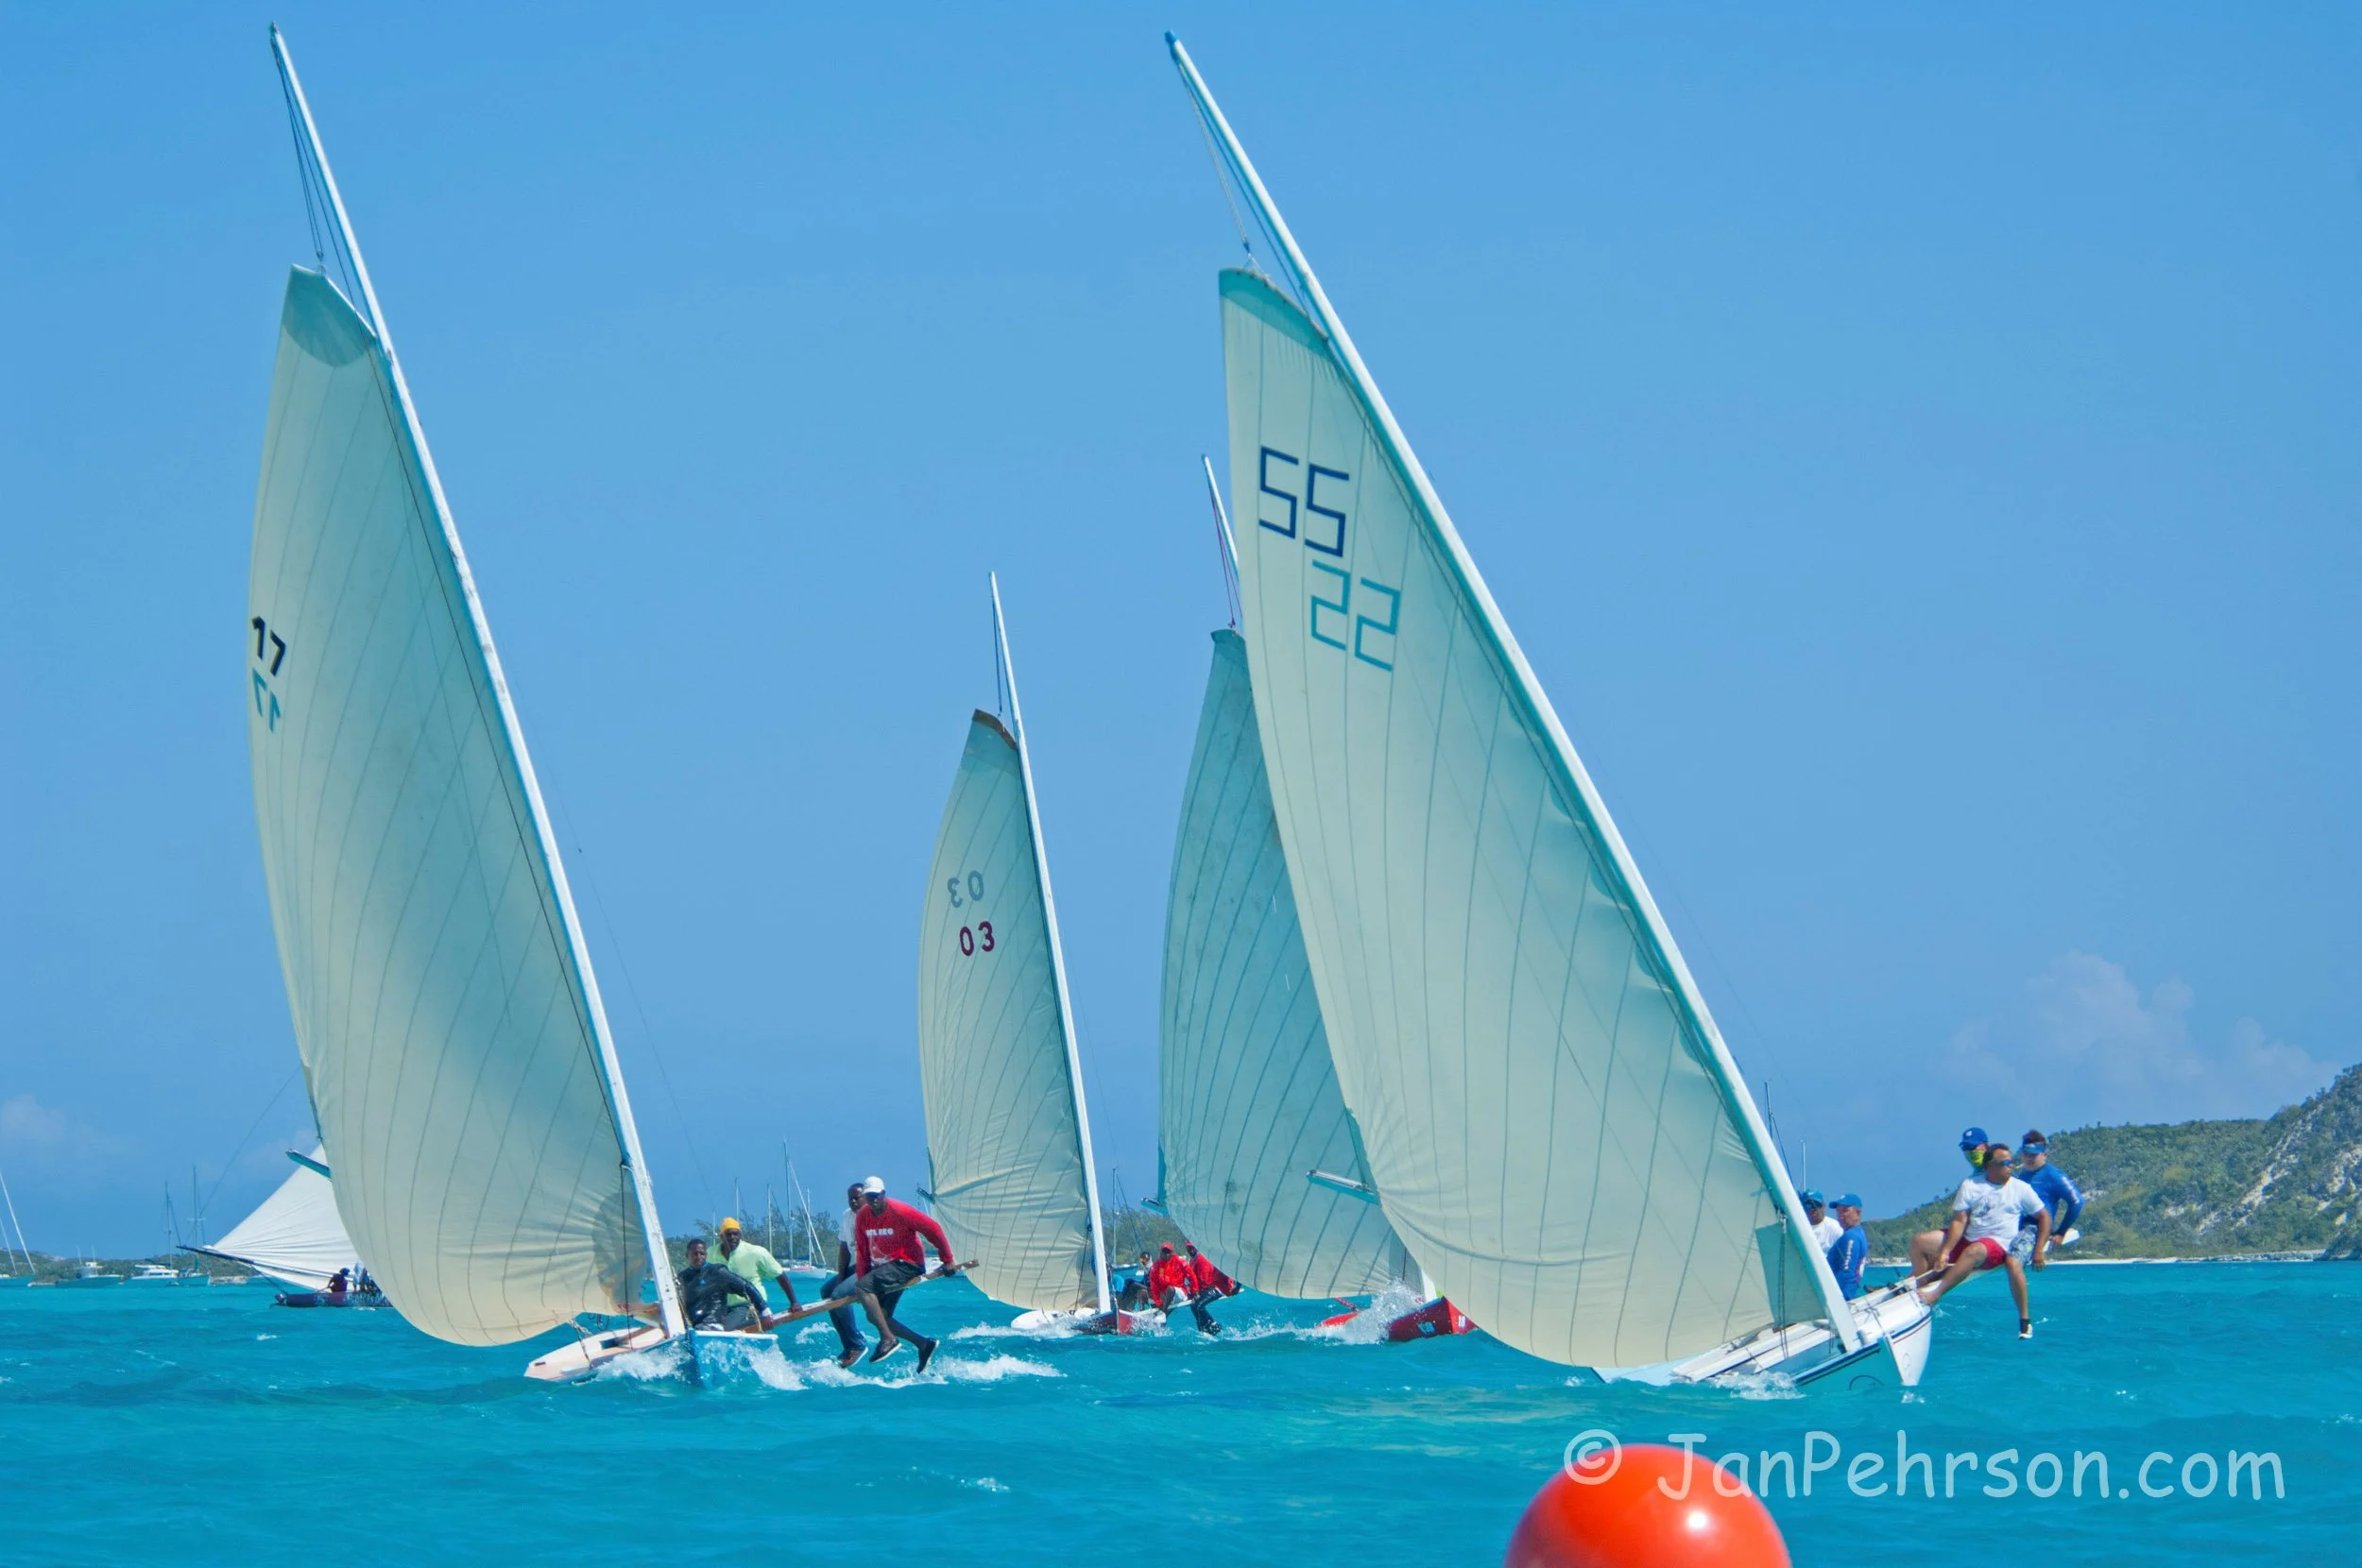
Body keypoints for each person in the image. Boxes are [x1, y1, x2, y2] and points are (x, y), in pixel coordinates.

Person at [1911, 1144, 2051, 1338]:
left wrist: (2038, 1250)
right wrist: (1945, 1251)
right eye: (2006, 1163)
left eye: (2011, 1161)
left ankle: (1935, 1294)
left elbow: (2044, 1216)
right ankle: (1920, 1283)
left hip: (1996, 1245)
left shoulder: (2021, 1189)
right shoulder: (1971, 1185)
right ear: (1990, 1166)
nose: (2011, 1166)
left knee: (1974, 1251)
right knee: (1919, 1241)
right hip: (1968, 1237)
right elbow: (1959, 1221)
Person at [850, 1176, 956, 1372]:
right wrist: (862, 1280)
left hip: (908, 1264)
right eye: (869, 1196)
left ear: (883, 1194)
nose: (873, 1200)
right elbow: (863, 1252)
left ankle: (888, 1338)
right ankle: (924, 1344)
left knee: (863, 1287)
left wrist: (947, 1259)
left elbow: (933, 1228)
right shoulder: (863, 1217)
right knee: (877, 1315)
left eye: (876, 1195)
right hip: (886, 1268)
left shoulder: (899, 1210)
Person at [819, 1182, 869, 1368]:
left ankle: (857, 1344)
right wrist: (840, 1277)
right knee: (826, 1291)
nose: (854, 1201)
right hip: (855, 1266)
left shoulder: (872, 1215)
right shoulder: (847, 1216)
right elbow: (844, 1248)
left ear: (866, 1198)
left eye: (858, 1197)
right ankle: (848, 1345)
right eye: (851, 1199)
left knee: (838, 1295)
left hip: (870, 1267)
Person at [712, 1216, 797, 1321]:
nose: (733, 1237)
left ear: (740, 1235)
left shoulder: (755, 1252)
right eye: (729, 1234)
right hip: (723, 1308)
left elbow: (780, 1275)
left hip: (749, 1305)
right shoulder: (710, 1254)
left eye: (736, 1233)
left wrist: (794, 1302)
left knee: (727, 1330)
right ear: (721, 1236)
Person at [676, 1236, 768, 1330]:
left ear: (706, 1255)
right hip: (692, 1328)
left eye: (702, 1253)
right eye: (695, 1254)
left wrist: (765, 1310)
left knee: (702, 1328)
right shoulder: (681, 1278)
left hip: (713, 1325)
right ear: (687, 1255)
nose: (699, 1257)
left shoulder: (717, 1272)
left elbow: (745, 1286)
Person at [2016, 1132, 2084, 1253]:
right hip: (2018, 1228)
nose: (2029, 1158)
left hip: (2036, 1230)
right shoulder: (2022, 1176)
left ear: (2044, 1154)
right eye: (2026, 1154)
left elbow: (2077, 1202)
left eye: (2033, 1155)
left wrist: (2061, 1232)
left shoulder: (2054, 1175)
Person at [1826, 1195, 1869, 1301]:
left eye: (1845, 1211)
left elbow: (1847, 1271)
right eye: (1838, 1211)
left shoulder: (1851, 1237)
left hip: (1842, 1299)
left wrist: (1841, 1300)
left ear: (1857, 1213)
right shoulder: (1858, 1233)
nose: (1840, 1216)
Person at [1802, 1190, 1842, 1255]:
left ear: (1823, 1206)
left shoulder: (1835, 1227)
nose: (1813, 1209)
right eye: (1809, 1205)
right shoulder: (1799, 1227)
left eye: (1817, 1204)